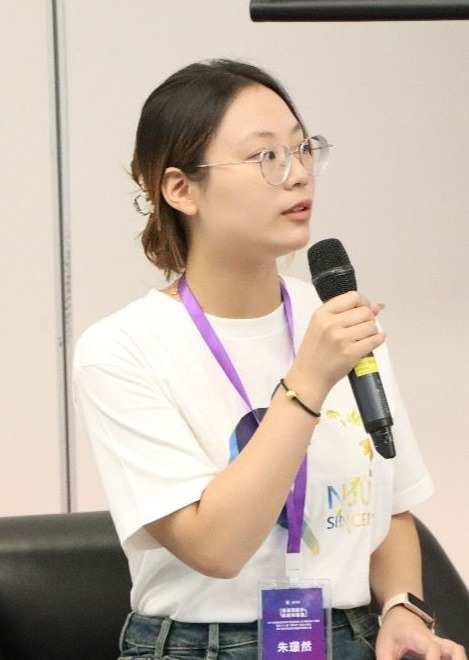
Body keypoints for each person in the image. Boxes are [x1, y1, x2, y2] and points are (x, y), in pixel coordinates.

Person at [73, 59, 466, 660]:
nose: (299, 174)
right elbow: (216, 548)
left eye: (302, 149)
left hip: (351, 637)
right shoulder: (121, 349)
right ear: (181, 189)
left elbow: (390, 511)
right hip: (201, 646)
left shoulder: (334, 318)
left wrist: (402, 608)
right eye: (266, 157)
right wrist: (307, 381)